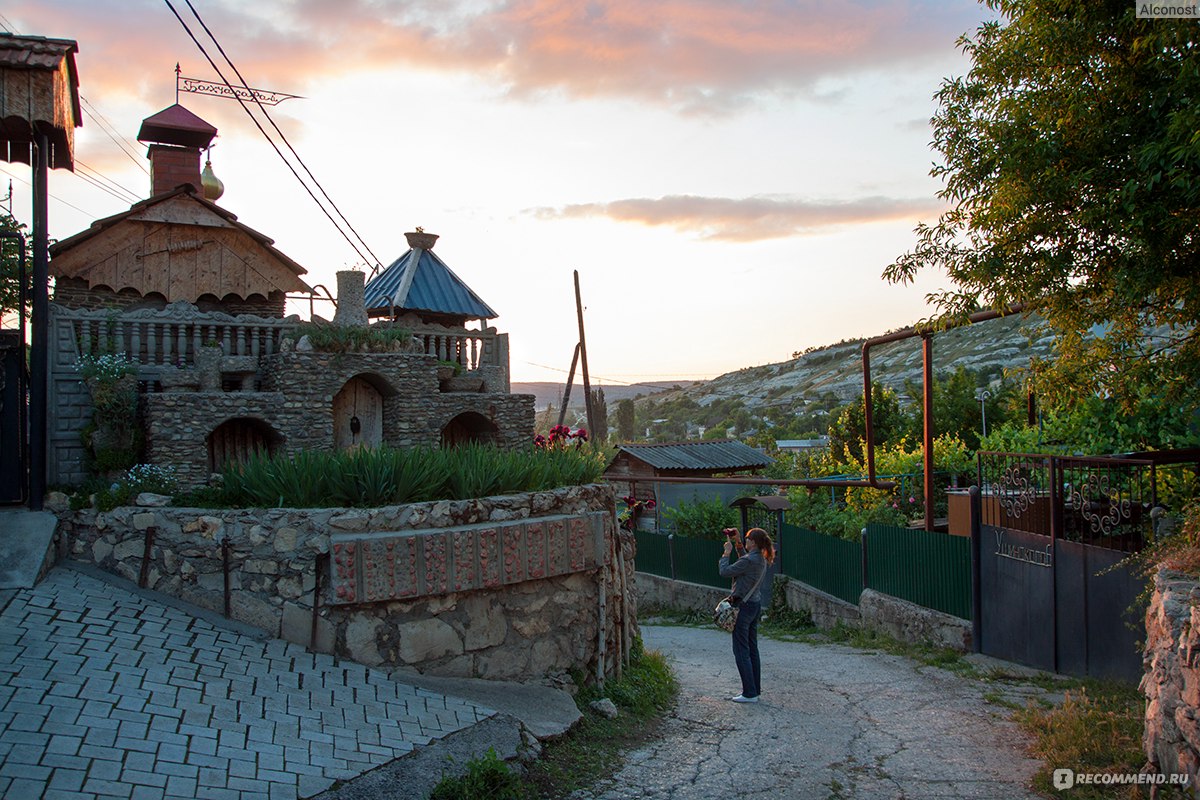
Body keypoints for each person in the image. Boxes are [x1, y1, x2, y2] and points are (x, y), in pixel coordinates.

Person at [718, 526, 774, 703]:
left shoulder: (750, 560)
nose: (747, 541)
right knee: (752, 648)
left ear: (754, 543)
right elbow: (745, 561)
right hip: (754, 605)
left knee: (741, 650)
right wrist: (738, 543)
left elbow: (725, 572)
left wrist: (726, 554)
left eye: (748, 539)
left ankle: (749, 693)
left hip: (742, 607)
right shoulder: (760, 559)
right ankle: (754, 689)